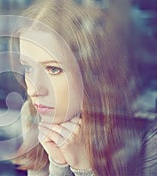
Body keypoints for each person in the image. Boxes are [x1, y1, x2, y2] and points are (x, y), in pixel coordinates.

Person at [9, 0, 157, 175]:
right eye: (28, 68)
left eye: (53, 69)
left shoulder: (147, 132)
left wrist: (83, 167)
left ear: (91, 73)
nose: (34, 89)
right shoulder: (32, 114)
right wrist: (59, 162)